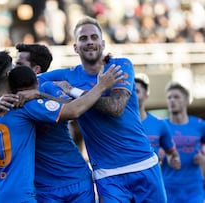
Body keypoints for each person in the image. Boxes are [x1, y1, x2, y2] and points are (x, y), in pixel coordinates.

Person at [0, 51, 123, 203]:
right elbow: (74, 110)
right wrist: (101, 86)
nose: (17, 70)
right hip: (26, 195)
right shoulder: (23, 105)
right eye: (15, 66)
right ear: (7, 74)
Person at [37, 16, 167, 202]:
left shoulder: (119, 66)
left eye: (93, 37)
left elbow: (116, 107)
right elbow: (26, 80)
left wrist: (74, 92)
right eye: (83, 38)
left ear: (103, 43)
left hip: (143, 164)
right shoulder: (67, 75)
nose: (89, 42)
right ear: (75, 47)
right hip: (107, 175)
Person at [14, 43, 93, 202]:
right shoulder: (8, 93)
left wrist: (39, 95)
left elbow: (71, 107)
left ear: (35, 69)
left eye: (19, 64)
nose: (13, 68)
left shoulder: (48, 87)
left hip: (76, 178)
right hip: (44, 187)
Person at [162, 82, 205, 203]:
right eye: (169, 97)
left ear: (186, 101)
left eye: (176, 97)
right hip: (168, 188)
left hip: (194, 189)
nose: (172, 100)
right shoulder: (161, 126)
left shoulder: (200, 125)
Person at [135, 73, 181, 169]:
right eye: (130, 91)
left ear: (146, 96)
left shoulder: (159, 124)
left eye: (137, 91)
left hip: (152, 182)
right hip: (127, 182)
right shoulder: (118, 124)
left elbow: (172, 154)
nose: (132, 95)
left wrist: (172, 160)